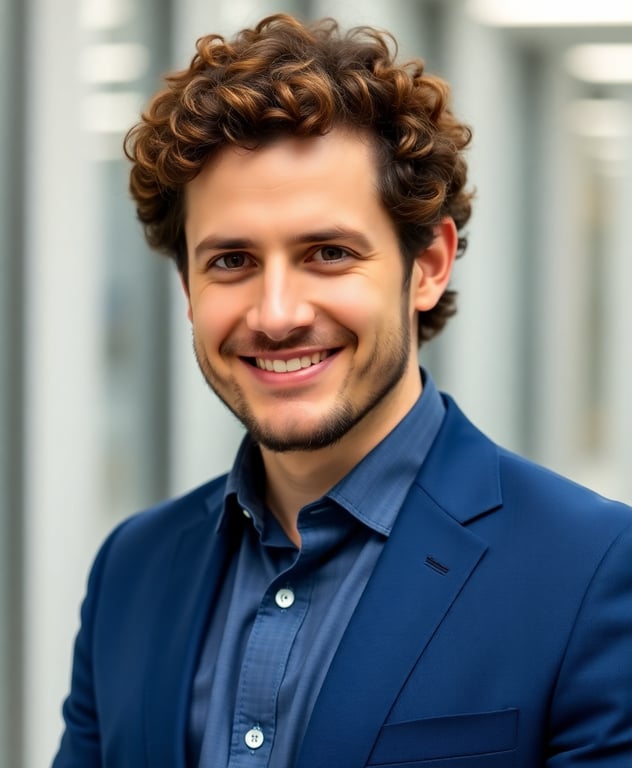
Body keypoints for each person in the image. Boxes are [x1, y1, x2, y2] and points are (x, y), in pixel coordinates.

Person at [52, 13, 632, 768]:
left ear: (427, 266)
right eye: (230, 261)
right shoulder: (131, 570)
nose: (277, 314)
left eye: (328, 253)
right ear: (188, 287)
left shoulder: (591, 569)